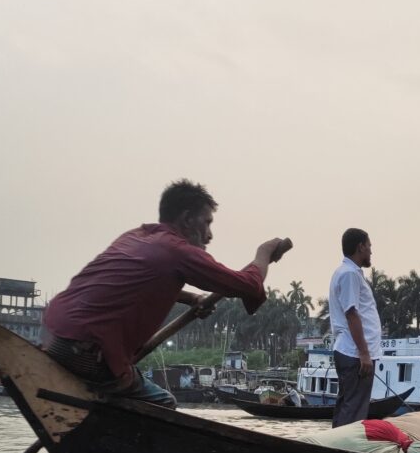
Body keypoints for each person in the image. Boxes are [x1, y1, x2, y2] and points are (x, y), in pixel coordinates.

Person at [43, 179, 285, 406]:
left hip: (56, 339)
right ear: (188, 219)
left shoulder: (135, 236)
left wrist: (191, 298)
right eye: (207, 222)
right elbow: (249, 284)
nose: (209, 235)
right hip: (90, 353)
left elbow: (134, 283)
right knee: (164, 402)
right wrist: (263, 254)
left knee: (112, 396)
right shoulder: (178, 252)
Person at [329, 227, 382, 427]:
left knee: (348, 407)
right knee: (354, 411)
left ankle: (336, 449)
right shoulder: (349, 274)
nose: (371, 251)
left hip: (353, 352)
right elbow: (352, 314)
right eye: (369, 246)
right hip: (354, 353)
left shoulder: (349, 273)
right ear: (360, 247)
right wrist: (364, 354)